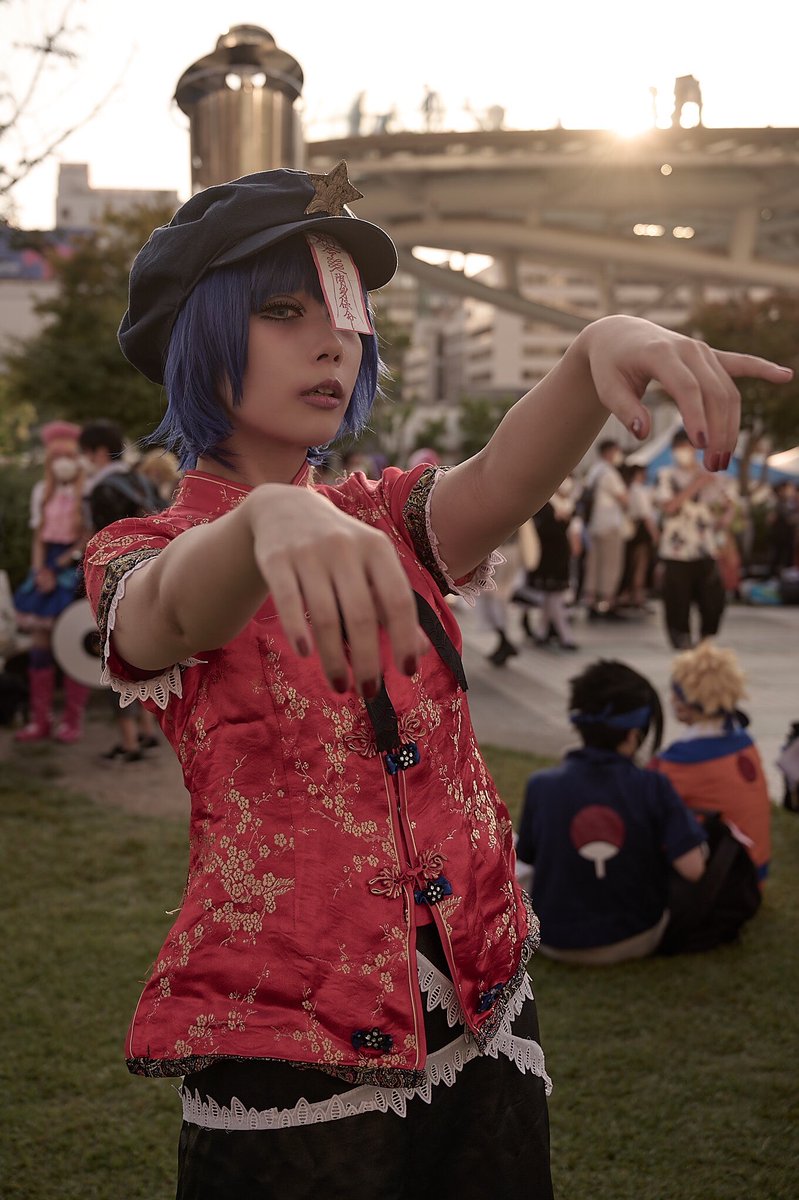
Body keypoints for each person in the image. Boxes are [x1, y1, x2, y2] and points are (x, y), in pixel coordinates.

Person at [80, 161, 790, 1197]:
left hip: (487, 1004)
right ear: (200, 334)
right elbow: (167, 613)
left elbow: (501, 478)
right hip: (291, 1039)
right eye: (283, 311)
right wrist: (265, 518)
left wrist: (594, 348)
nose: (333, 342)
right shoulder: (141, 549)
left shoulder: (387, 515)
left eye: (345, 316)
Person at [516, 660, 707, 964]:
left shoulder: (541, 785)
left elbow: (526, 857)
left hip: (551, 938)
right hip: (637, 936)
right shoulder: (654, 786)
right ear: (633, 735)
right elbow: (693, 869)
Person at [649, 640, 771, 882]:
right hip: (755, 870)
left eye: (675, 693)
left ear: (685, 704)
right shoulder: (745, 742)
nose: (671, 700)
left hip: (720, 881)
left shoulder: (679, 761)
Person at [79, 419, 163, 763]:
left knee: (115, 655)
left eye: (86, 453)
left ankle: (129, 742)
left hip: (116, 579)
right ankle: (148, 730)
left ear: (99, 452)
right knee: (144, 655)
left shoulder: (101, 488)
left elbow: (101, 540)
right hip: (154, 574)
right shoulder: (141, 479)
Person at [13, 420, 91, 742]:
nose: (61, 462)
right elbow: (38, 538)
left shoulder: (86, 491)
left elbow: (87, 537)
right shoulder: (41, 491)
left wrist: (58, 567)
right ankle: (40, 719)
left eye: (67, 456)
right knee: (39, 646)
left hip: (72, 567)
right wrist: (39, 571)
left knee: (73, 643)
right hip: (45, 569)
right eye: (56, 456)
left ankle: (72, 720)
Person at [654, 428, 732, 648]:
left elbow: (726, 504)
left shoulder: (709, 475)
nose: (684, 452)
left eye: (687, 447)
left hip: (705, 546)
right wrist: (696, 484)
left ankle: (707, 637)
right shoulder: (665, 475)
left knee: (713, 599)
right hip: (676, 549)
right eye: (679, 448)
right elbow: (669, 506)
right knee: (677, 599)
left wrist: (725, 518)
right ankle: (682, 640)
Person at [527, 477, 579, 650]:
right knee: (553, 597)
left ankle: (542, 633)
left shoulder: (565, 505)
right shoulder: (545, 504)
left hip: (558, 556)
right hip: (548, 557)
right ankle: (565, 636)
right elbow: (543, 529)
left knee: (551, 598)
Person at [582, 438, 629, 619]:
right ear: (609, 452)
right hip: (609, 524)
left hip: (593, 525)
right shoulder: (610, 473)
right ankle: (606, 603)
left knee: (593, 565)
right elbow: (624, 498)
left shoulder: (594, 470)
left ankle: (591, 600)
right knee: (611, 565)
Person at [617, 462, 659, 610]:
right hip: (641, 531)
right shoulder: (639, 490)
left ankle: (630, 594)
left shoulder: (629, 488)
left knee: (632, 564)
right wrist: (655, 534)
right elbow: (646, 515)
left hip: (633, 530)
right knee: (640, 565)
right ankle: (637, 597)